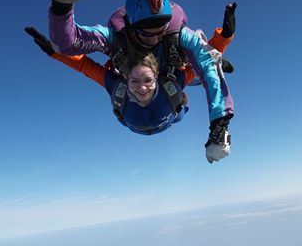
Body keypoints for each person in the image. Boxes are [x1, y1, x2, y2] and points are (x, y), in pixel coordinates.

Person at [43, 0, 235, 162]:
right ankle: (200, 64)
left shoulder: (178, 36)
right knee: (186, 75)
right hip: (163, 89)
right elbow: (68, 44)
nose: (154, 39)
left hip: (166, 78)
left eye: (161, 31)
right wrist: (61, 8)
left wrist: (219, 127)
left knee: (195, 67)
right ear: (131, 25)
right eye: (146, 33)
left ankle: (203, 63)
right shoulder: (115, 38)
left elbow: (207, 66)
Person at [25, 18, 234, 162]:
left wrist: (223, 38)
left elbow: (204, 65)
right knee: (184, 76)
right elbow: (85, 66)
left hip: (168, 114)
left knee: (188, 73)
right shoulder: (120, 87)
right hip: (162, 114)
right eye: (134, 81)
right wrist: (55, 51)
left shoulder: (163, 87)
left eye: (147, 80)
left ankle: (195, 65)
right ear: (126, 79)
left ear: (156, 78)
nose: (141, 88)